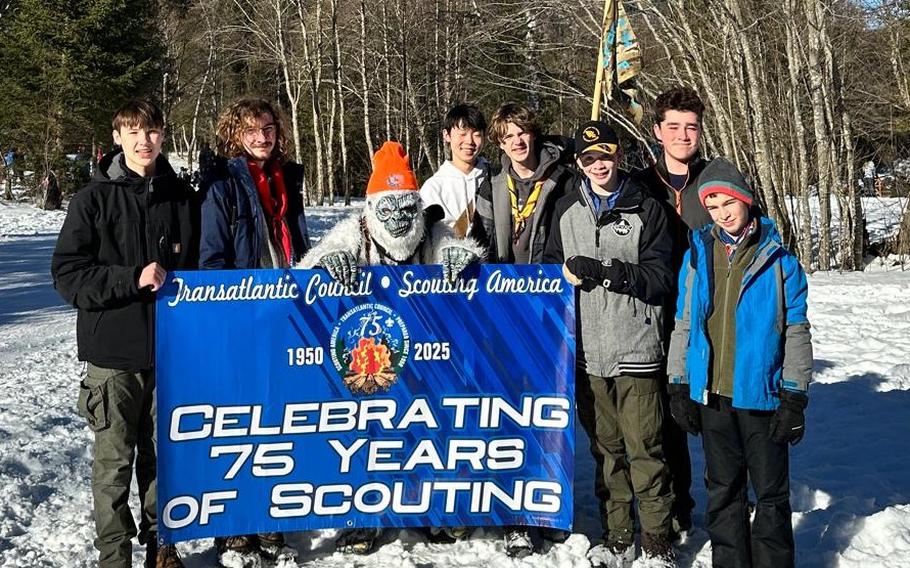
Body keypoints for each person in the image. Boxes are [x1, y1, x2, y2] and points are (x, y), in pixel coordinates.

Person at [300, 141, 483, 554]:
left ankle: (436, 509)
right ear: (372, 209)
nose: (399, 219)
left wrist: (460, 256)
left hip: (425, 354)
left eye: (407, 209)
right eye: (389, 210)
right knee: (366, 435)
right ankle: (360, 518)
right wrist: (328, 262)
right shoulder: (356, 231)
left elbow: (456, 248)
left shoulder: (428, 230)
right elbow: (311, 266)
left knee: (430, 430)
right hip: (371, 354)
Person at [51, 99, 198, 568]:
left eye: (151, 131)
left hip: (171, 356)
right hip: (113, 359)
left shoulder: (183, 198)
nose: (143, 141)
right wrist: (129, 277)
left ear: (163, 135)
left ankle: (162, 545)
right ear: (117, 137)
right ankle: (114, 557)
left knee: (164, 460)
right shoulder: (92, 199)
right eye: (133, 132)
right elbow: (68, 275)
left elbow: (204, 269)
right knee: (113, 467)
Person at [666, 158, 813, 568]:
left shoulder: (779, 259)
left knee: (770, 494)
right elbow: (684, 321)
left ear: (745, 199)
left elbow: (797, 329)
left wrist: (795, 396)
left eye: (727, 202)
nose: (722, 213)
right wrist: (679, 382)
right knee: (723, 490)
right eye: (712, 206)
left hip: (761, 396)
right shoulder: (698, 254)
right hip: (713, 395)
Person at [544, 121, 676, 567]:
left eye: (605, 155)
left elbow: (661, 280)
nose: (598, 165)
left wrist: (607, 270)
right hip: (587, 355)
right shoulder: (565, 210)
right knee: (606, 452)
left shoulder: (647, 208)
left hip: (636, 348)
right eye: (588, 159)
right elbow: (546, 275)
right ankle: (618, 536)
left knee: (645, 450)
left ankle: (657, 541)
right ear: (579, 165)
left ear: (618, 156)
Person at [198, 97, 310, 566]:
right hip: (243, 316)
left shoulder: (290, 178)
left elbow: (299, 243)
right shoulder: (222, 182)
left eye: (267, 128)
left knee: (279, 423)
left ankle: (270, 520)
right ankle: (235, 528)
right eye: (250, 130)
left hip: (286, 316)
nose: (262, 137)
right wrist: (235, 309)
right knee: (239, 425)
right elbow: (211, 258)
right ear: (234, 134)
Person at [468, 102, 575, 557]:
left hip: (553, 306)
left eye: (524, 133)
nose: (517, 141)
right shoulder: (491, 185)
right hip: (505, 312)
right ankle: (514, 514)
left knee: (549, 409)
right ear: (500, 140)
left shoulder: (562, 177)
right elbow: (480, 243)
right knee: (511, 411)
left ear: (535, 135)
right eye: (508, 135)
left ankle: (546, 503)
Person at [631, 86, 713, 535]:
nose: (683, 135)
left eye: (692, 127)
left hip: (708, 310)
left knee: (711, 410)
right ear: (658, 130)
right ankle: (674, 504)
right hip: (655, 311)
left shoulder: (716, 179)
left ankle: (726, 494)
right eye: (674, 126)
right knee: (662, 414)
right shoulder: (641, 184)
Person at [419, 103, 489, 237]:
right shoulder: (433, 188)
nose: (469, 141)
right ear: (447, 135)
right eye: (462, 134)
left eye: (476, 134)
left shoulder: (495, 178)